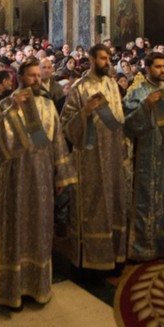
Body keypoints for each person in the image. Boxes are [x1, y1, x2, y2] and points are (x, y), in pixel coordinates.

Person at [0, 58, 75, 307]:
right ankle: (11, 291)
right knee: (14, 228)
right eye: (32, 76)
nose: (37, 80)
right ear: (20, 78)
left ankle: (38, 287)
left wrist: (61, 174)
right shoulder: (4, 105)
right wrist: (12, 111)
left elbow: (57, 140)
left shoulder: (48, 106)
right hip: (14, 178)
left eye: (39, 75)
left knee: (39, 228)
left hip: (42, 178)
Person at [57, 43, 128, 271]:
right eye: (103, 58)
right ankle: (90, 260)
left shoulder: (112, 85)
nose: (107, 62)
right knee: (93, 206)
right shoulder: (79, 88)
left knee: (114, 203)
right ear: (91, 59)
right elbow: (66, 125)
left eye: (109, 58)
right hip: (89, 159)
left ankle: (114, 255)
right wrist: (86, 111)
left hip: (113, 155)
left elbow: (118, 120)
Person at [122, 53, 164, 263]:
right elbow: (128, 124)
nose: (162, 71)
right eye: (158, 67)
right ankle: (143, 247)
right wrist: (145, 106)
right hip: (147, 152)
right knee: (146, 198)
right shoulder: (136, 92)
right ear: (147, 68)